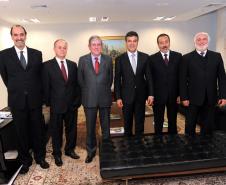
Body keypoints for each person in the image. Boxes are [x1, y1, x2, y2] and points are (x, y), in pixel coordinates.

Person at [0, 25, 49, 174]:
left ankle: (40, 157)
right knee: (21, 132)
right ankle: (25, 161)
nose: (19, 37)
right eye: (16, 35)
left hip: (35, 100)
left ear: (26, 35)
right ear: (12, 37)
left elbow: (40, 77)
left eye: (21, 34)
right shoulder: (3, 55)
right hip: (17, 101)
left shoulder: (36, 54)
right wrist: (18, 90)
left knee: (38, 130)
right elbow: (6, 77)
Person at [42, 39, 81, 166]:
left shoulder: (73, 64)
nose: (62, 50)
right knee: (56, 131)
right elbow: (46, 87)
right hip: (56, 105)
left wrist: (77, 101)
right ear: (54, 49)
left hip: (71, 105)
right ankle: (57, 154)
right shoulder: (47, 65)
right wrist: (49, 104)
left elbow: (76, 85)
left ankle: (70, 150)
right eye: (59, 47)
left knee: (71, 130)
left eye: (64, 47)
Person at [180, 32, 226, 136]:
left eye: (204, 39)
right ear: (195, 42)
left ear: (208, 41)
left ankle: (206, 148)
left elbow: (222, 78)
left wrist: (224, 96)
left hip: (211, 98)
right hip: (192, 99)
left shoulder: (217, 56)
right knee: (190, 125)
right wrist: (184, 97)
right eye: (198, 39)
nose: (201, 41)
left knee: (208, 126)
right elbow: (182, 80)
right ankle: (190, 146)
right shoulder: (186, 58)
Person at [78, 35, 113, 163]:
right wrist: (90, 90)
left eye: (99, 44)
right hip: (89, 99)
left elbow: (110, 79)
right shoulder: (82, 60)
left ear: (101, 46)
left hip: (105, 98)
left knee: (106, 127)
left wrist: (101, 90)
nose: (96, 47)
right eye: (94, 44)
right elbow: (80, 80)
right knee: (90, 128)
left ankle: (106, 151)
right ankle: (91, 152)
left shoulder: (108, 59)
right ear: (89, 46)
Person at [114, 31, 152, 137]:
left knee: (140, 122)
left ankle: (139, 145)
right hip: (126, 96)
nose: (132, 43)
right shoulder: (120, 59)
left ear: (137, 42)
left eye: (134, 41)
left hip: (141, 95)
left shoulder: (145, 57)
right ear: (126, 42)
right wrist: (118, 97)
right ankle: (128, 146)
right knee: (127, 123)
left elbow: (149, 78)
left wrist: (151, 94)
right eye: (129, 41)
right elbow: (117, 80)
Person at [148, 33, 182, 135]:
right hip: (158, 96)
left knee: (173, 121)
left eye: (166, 42)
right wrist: (151, 94)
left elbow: (181, 77)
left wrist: (181, 94)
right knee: (158, 122)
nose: (164, 44)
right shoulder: (152, 58)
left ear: (169, 42)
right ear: (158, 44)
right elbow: (150, 79)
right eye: (161, 43)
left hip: (174, 95)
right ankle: (158, 143)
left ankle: (173, 142)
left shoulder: (178, 56)